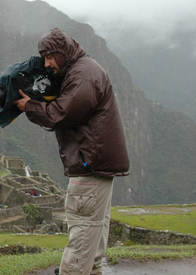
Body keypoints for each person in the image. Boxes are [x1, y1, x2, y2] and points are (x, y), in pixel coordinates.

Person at [14, 28, 129, 275]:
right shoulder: (83, 70)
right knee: (94, 230)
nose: (47, 64)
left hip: (90, 163)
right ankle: (93, 269)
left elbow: (62, 113)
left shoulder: (84, 75)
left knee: (83, 229)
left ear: (62, 52)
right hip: (97, 163)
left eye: (50, 57)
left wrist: (30, 106)